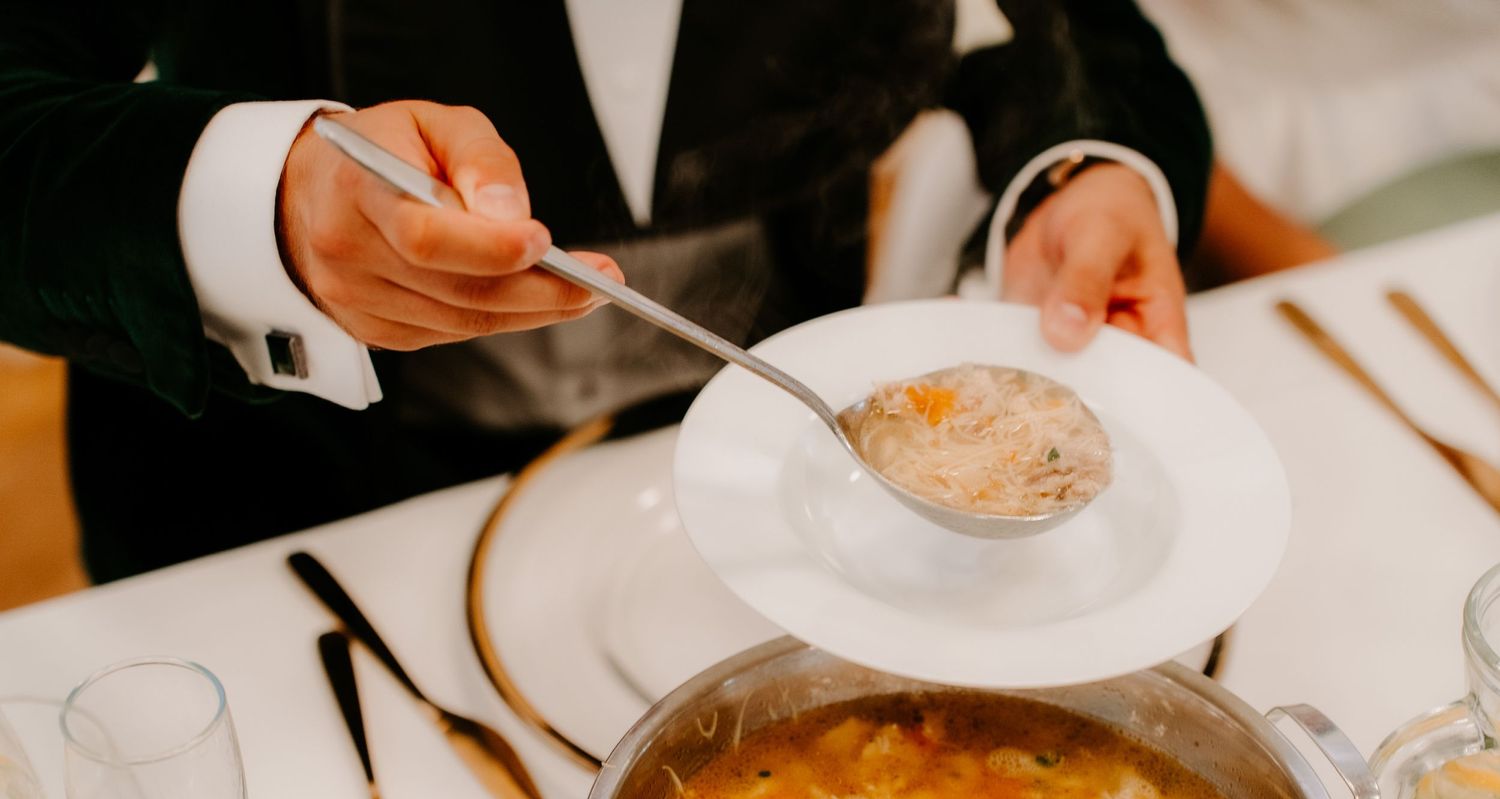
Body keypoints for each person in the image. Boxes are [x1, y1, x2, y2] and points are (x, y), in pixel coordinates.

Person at [0, 0, 1210, 582]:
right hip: (305, 530)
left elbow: (1078, 41)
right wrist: (265, 205)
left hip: (783, 508)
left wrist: (1088, 168)